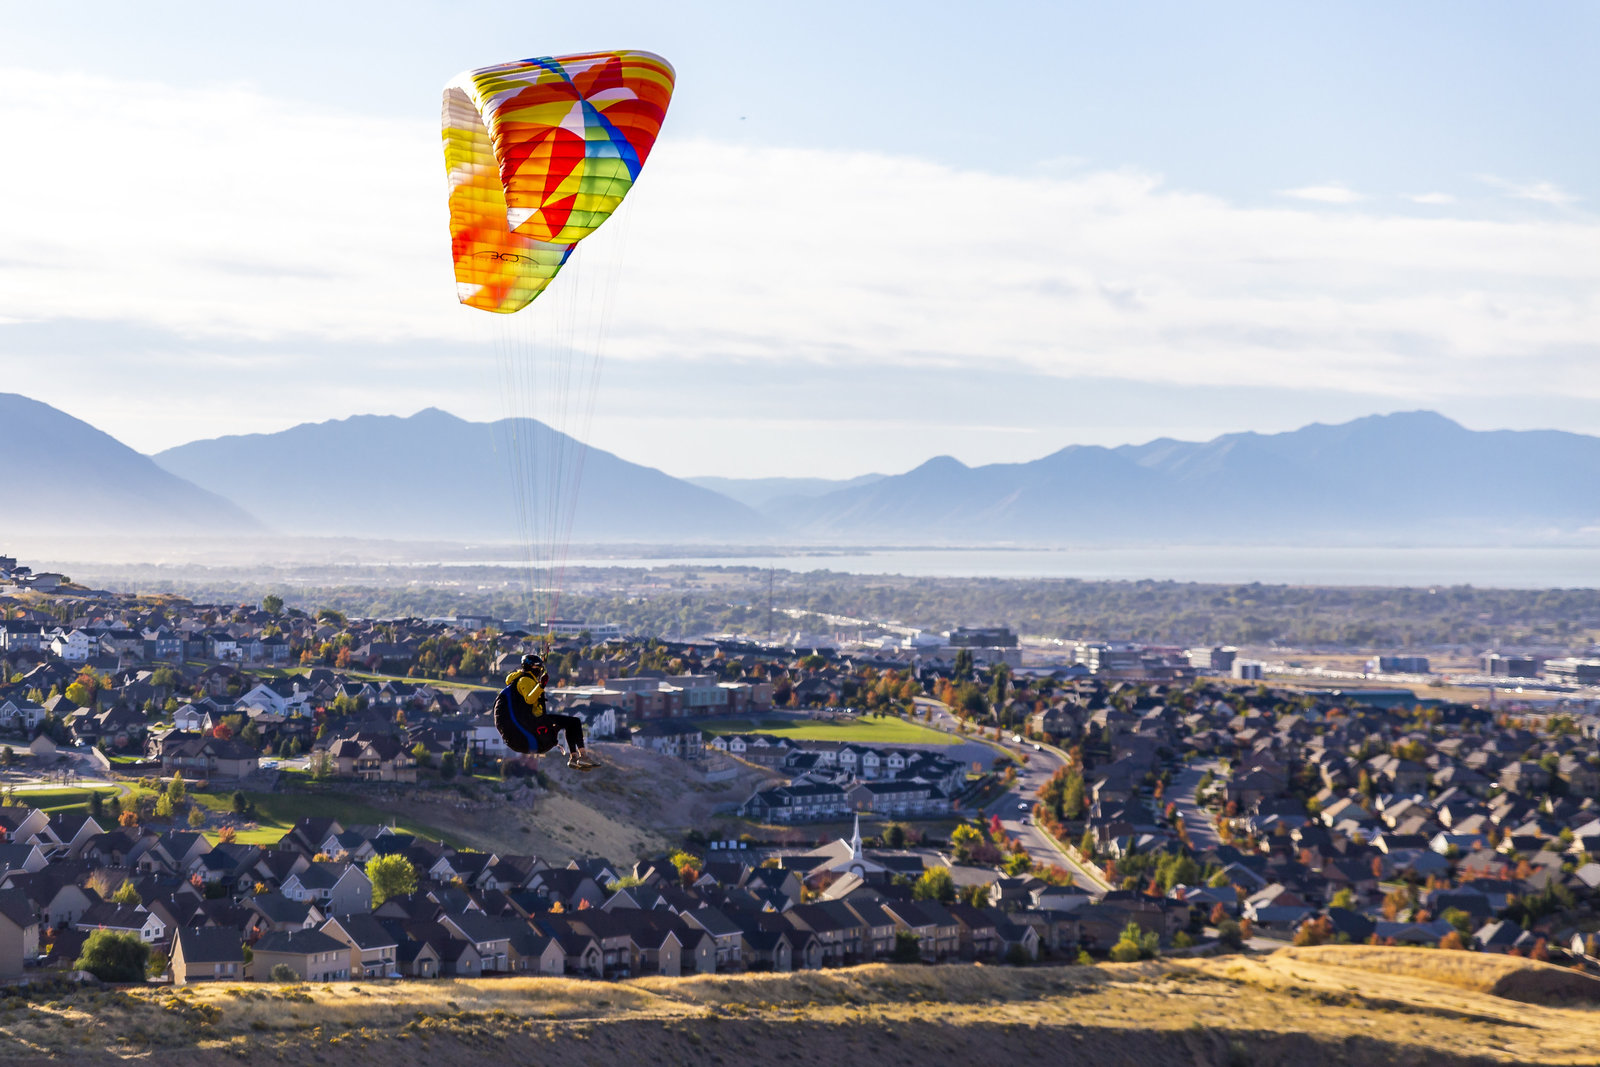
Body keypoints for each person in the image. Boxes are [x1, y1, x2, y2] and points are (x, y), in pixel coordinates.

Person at [493, 653, 600, 771]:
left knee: (570, 723)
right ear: (532, 668)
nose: (540, 670)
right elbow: (529, 699)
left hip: (533, 719)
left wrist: (540, 684)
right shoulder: (524, 680)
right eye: (538, 667)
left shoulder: (524, 679)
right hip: (534, 720)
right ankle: (581, 756)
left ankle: (574, 758)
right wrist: (541, 685)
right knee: (574, 722)